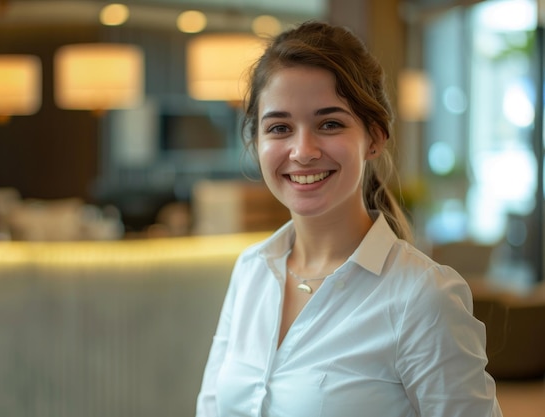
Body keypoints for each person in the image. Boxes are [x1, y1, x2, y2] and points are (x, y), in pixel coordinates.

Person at [195, 20, 502, 417]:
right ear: (257, 142)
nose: (302, 151)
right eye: (280, 128)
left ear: (374, 138)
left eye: (329, 124)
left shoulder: (422, 297)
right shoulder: (250, 271)